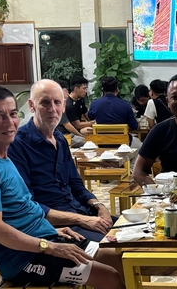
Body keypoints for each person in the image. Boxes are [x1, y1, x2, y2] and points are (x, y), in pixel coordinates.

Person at [0, 86, 129, 289]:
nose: (9, 123)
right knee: (108, 276)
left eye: (12, 114)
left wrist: (52, 231)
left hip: (46, 240)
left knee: (119, 258)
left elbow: (23, 209)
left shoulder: (4, 158)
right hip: (23, 260)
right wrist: (50, 246)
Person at [8, 80, 113, 242]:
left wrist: (99, 206)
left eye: (57, 102)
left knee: (135, 232)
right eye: (45, 102)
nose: (52, 109)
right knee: (116, 248)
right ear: (31, 105)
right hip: (56, 227)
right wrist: (81, 220)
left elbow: (76, 184)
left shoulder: (60, 139)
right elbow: (27, 205)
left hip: (79, 212)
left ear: (63, 106)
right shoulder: (17, 144)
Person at [55, 79, 92, 148]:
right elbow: (68, 126)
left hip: (69, 134)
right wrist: (81, 135)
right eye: (66, 91)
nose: (68, 93)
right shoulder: (59, 106)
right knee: (88, 141)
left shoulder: (79, 101)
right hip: (65, 136)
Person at [65, 76, 94, 143]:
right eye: (84, 88)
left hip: (80, 128)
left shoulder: (80, 100)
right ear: (76, 89)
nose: (85, 91)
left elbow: (87, 116)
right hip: (71, 132)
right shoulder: (69, 105)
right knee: (89, 130)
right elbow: (77, 125)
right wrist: (93, 123)